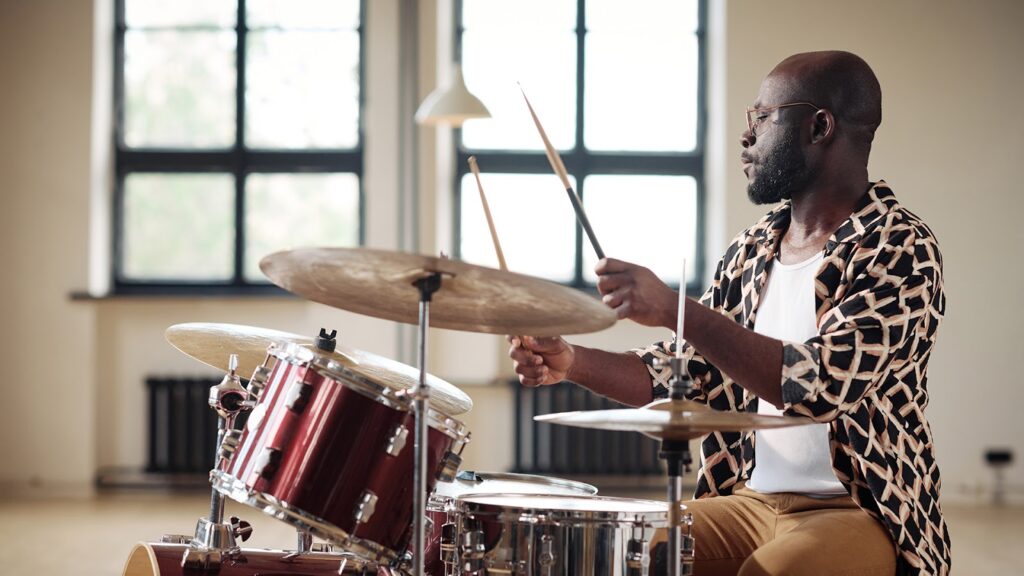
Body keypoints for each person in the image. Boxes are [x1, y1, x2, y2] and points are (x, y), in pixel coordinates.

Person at [508, 51, 950, 576]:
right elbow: (688, 375)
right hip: (749, 501)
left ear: (819, 126)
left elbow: (820, 384)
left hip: (859, 510)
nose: (747, 137)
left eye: (761, 118)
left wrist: (676, 310)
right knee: (628, 553)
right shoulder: (751, 249)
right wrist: (570, 361)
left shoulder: (899, 246)